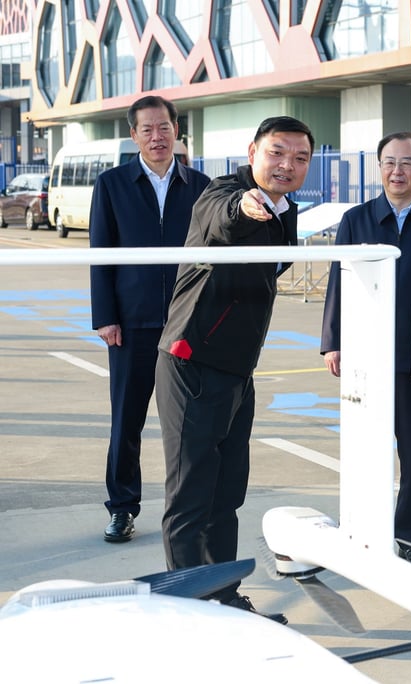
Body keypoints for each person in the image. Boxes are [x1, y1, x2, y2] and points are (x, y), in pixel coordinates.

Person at [155, 116, 313, 624]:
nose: (287, 165)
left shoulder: (289, 210)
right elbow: (226, 217)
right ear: (252, 152)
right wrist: (248, 206)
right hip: (192, 360)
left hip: (238, 368)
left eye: (300, 158)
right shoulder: (222, 192)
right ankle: (188, 609)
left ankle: (223, 598)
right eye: (277, 153)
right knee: (191, 493)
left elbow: (274, 264)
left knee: (226, 493)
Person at [89, 95, 210, 543]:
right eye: (147, 130)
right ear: (133, 135)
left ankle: (190, 511)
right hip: (132, 324)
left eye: (164, 128)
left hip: (186, 323)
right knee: (127, 422)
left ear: (177, 130)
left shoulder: (201, 186)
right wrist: (106, 316)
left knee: (191, 424)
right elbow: (101, 253)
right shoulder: (113, 185)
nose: (157, 137)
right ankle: (122, 508)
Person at [321, 131, 411, 568]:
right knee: (365, 450)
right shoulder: (357, 219)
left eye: (407, 163)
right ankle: (364, 531)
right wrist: (334, 341)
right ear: (379, 167)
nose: (397, 171)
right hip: (366, 355)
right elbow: (339, 278)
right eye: (389, 162)